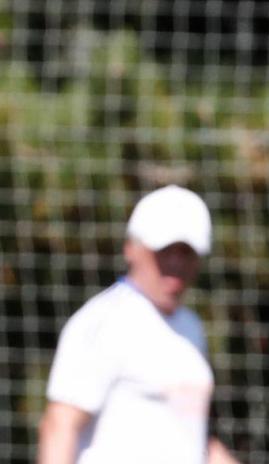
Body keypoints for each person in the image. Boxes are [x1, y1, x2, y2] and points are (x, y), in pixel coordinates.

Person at [37, 185, 240, 464]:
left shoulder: (191, 327)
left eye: (187, 252)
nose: (176, 262)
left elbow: (193, 441)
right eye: (165, 250)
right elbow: (60, 425)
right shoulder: (103, 321)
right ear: (131, 248)